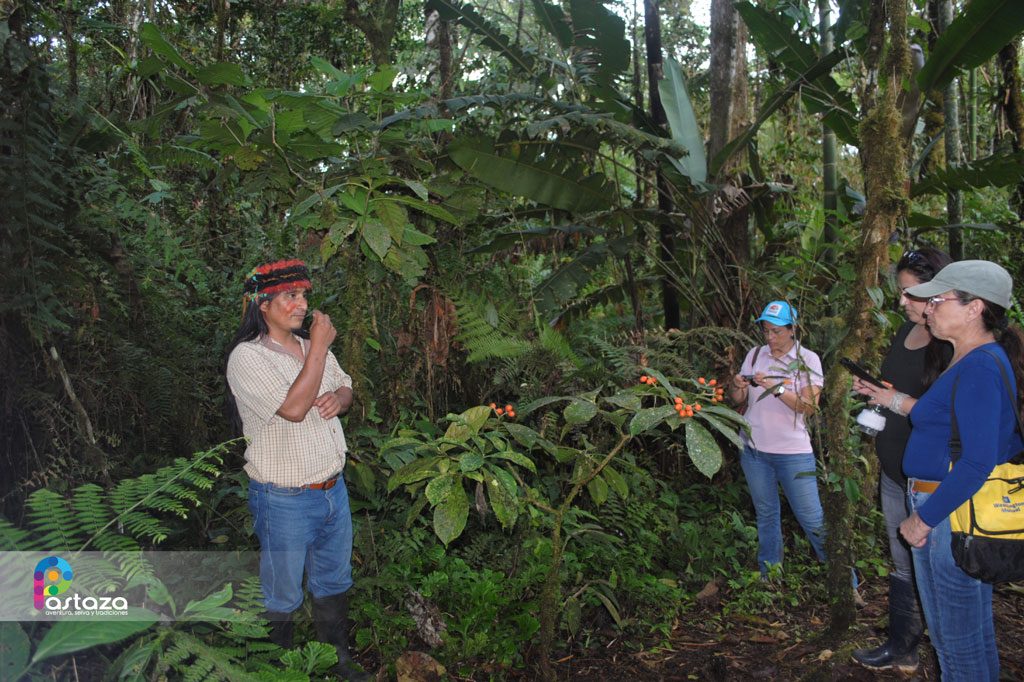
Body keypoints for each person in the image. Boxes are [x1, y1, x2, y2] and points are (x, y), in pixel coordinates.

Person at [856, 260, 1023, 682]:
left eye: (938, 299)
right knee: (967, 636)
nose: (927, 308)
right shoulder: (963, 359)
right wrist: (890, 399)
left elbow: (977, 462)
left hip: (947, 512)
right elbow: (942, 423)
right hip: (941, 507)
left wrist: (922, 519)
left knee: (956, 645)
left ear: (974, 308)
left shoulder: (981, 365)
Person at [225, 259, 370, 682]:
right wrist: (320, 347)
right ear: (263, 305)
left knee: (334, 580)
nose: (302, 304)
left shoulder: (310, 346)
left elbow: (345, 386)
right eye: (291, 296)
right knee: (282, 593)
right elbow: (291, 408)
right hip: (283, 499)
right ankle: (277, 669)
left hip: (332, 491)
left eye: (304, 295)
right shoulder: (247, 358)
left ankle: (336, 661)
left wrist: (339, 400)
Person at [850, 248, 952, 673]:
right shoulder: (902, 332)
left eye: (910, 294)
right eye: (902, 294)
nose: (903, 302)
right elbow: (901, 388)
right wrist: (878, 391)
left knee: (936, 565)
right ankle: (902, 645)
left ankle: (947, 652)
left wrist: (896, 399)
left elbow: (944, 411)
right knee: (901, 558)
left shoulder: (951, 344)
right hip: (895, 469)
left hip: (930, 478)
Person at [728, 301, 827, 576]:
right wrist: (736, 387)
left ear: (793, 329)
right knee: (767, 515)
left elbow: (808, 406)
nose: (770, 338)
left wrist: (776, 386)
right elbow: (738, 400)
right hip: (754, 450)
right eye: (766, 331)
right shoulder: (755, 354)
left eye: (776, 332)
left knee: (812, 518)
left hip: (793, 454)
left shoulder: (808, 360)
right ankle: (769, 575)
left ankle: (844, 582)